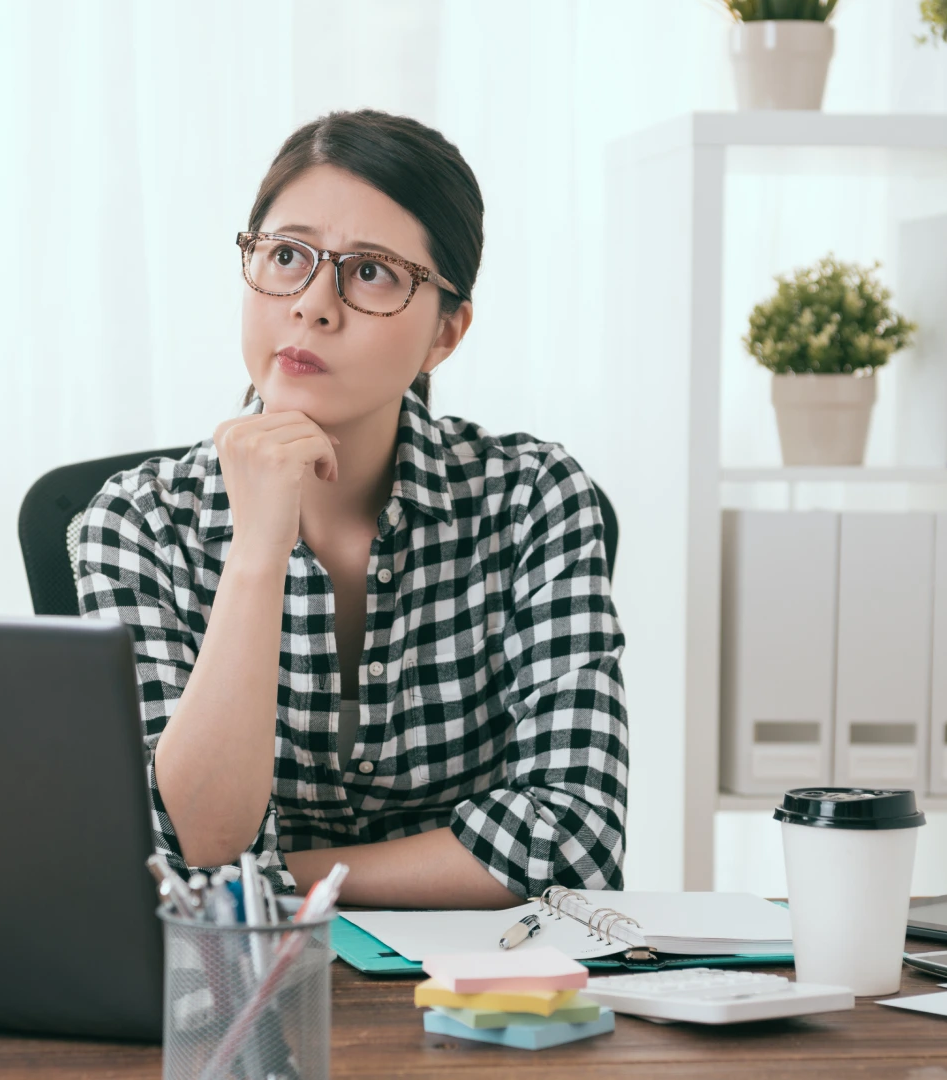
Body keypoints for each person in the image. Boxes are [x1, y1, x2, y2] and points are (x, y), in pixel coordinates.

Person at [77, 109, 627, 910]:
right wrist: (259, 551)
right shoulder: (136, 523)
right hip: (229, 992)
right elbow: (196, 841)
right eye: (287, 256)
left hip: (481, 993)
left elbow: (575, 839)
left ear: (446, 332)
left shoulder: (533, 499)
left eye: (370, 272)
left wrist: (286, 880)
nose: (312, 305)